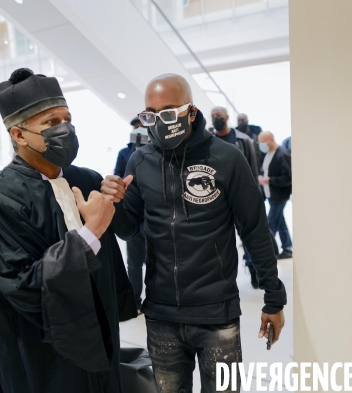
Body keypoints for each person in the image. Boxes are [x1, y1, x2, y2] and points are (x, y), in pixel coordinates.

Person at [102, 73, 287, 392]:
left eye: (169, 111)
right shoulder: (140, 160)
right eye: (151, 114)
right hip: (161, 315)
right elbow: (129, 228)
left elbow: (255, 230)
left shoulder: (227, 158)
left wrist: (273, 297)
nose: (160, 121)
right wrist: (114, 203)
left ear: (191, 111)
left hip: (218, 313)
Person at [0, 68, 137, 393]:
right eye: (50, 122)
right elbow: (23, 287)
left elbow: (124, 235)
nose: (65, 129)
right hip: (39, 351)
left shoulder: (84, 179)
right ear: (19, 135)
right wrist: (89, 233)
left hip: (97, 333)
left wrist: (116, 202)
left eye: (66, 118)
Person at [211, 106, 261, 288]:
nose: (216, 118)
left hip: (241, 197)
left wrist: (255, 197)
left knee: (249, 238)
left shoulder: (243, 140)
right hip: (217, 200)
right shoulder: (208, 141)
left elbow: (253, 170)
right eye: (213, 116)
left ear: (226, 117)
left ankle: (255, 273)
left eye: (219, 115)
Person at [115, 117, 148, 311]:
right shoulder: (124, 153)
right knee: (134, 263)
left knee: (154, 262)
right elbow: (119, 175)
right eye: (137, 128)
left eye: (143, 128)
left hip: (152, 214)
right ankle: (135, 301)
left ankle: (153, 299)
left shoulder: (157, 152)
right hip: (133, 214)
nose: (140, 131)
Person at [258, 131, 293, 259]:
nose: (261, 144)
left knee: (271, 224)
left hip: (280, 195)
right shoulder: (268, 154)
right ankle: (288, 248)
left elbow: (288, 178)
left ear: (271, 140)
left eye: (263, 141)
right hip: (272, 194)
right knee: (281, 222)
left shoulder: (282, 154)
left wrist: (269, 180)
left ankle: (268, 253)